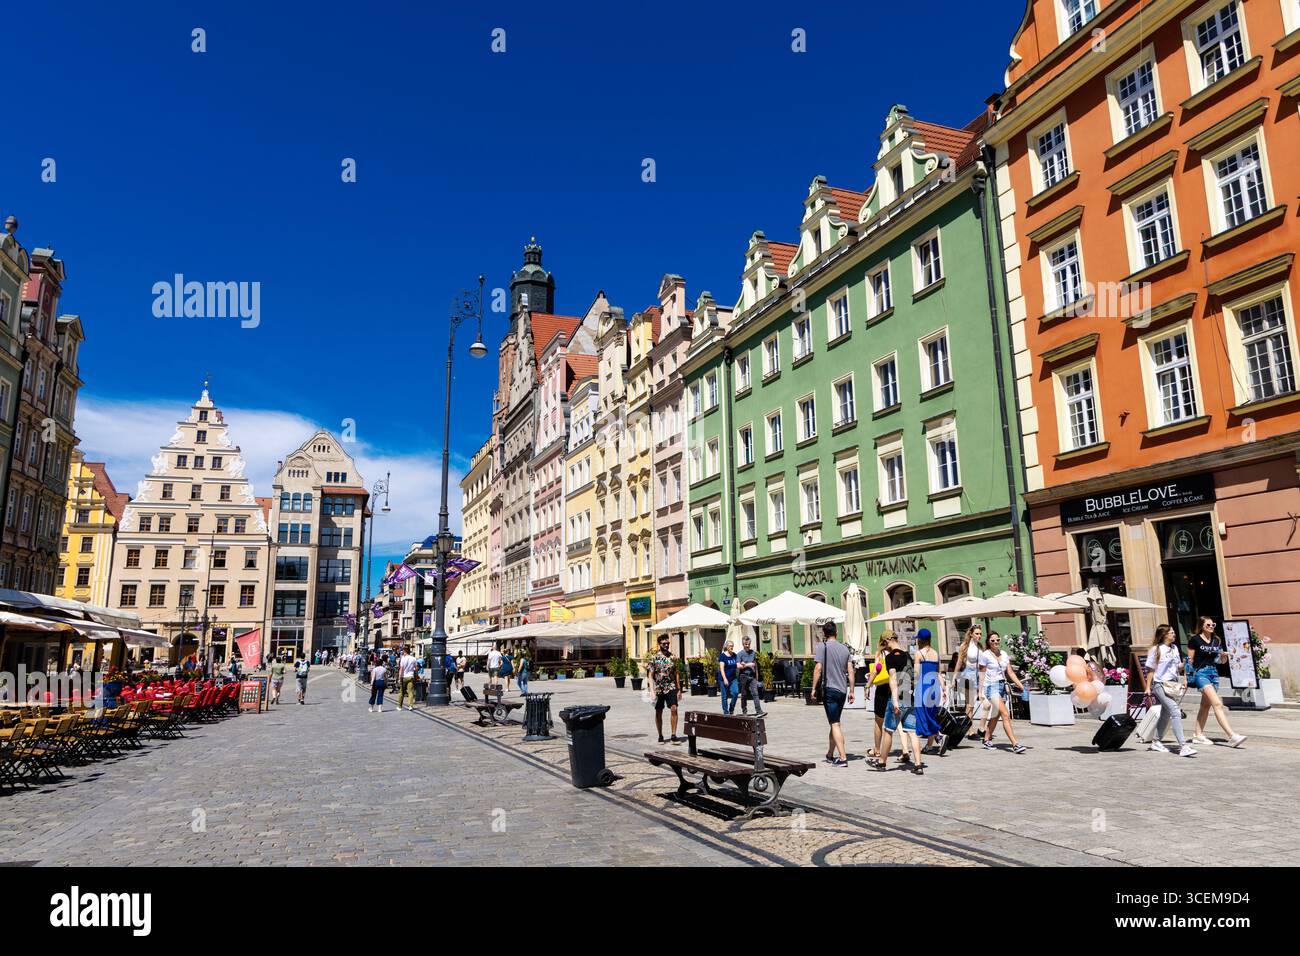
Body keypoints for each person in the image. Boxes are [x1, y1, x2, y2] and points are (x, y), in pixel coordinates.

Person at [1186, 616, 1246, 748]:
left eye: (1213, 625)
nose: (1211, 627)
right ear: (1202, 626)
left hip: (1214, 674)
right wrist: (1187, 679)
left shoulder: (1216, 640)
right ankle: (1232, 736)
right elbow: (1189, 660)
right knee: (1217, 704)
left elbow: (1220, 661)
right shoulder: (1194, 640)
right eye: (1208, 625)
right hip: (1201, 674)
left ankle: (1198, 735)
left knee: (1205, 706)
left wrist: (1224, 657)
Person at [872, 632, 922, 774]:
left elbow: (893, 680)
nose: (884, 646)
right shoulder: (908, 656)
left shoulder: (890, 658)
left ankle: (882, 763)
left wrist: (894, 701)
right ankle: (918, 765)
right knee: (912, 732)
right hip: (910, 698)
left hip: (897, 698)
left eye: (884, 643)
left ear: (889, 640)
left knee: (888, 731)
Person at [1143, 624, 1196, 757]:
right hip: (1160, 684)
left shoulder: (1174, 648)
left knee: (1165, 715)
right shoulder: (1156, 650)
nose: (1174, 634)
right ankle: (1183, 746)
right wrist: (1147, 687)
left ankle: (1156, 741)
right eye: (1171, 632)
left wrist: (1185, 664)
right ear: (1164, 635)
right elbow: (1150, 670)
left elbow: (1177, 667)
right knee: (1175, 711)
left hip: (1172, 685)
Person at [809, 622, 854, 767]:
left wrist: (813, 688)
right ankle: (830, 754)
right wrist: (852, 690)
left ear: (824, 633)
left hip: (830, 689)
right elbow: (851, 671)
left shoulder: (823, 647)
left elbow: (818, 668)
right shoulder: (845, 649)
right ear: (836, 632)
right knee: (834, 723)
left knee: (835, 724)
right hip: (842, 690)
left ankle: (842, 758)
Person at [978, 634, 1027, 753]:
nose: (995, 642)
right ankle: (1015, 744)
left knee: (996, 715)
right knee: (1005, 714)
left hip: (1002, 686)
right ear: (989, 642)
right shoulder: (985, 655)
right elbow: (982, 674)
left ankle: (986, 739)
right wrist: (980, 691)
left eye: (997, 640)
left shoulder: (1004, 654)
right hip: (991, 686)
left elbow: (1010, 672)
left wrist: (1020, 685)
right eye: (992, 640)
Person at [869, 631, 905, 766]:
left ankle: (878, 750)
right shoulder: (902, 652)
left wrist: (868, 685)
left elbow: (876, 670)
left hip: (883, 688)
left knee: (879, 720)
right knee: (900, 720)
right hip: (899, 688)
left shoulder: (881, 654)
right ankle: (905, 748)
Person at [912, 629, 946, 757]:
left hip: (923, 687)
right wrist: (943, 689)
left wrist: (912, 688)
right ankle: (929, 746)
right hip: (935, 687)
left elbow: (916, 674)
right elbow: (938, 673)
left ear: (920, 640)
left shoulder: (918, 654)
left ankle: (939, 736)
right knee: (930, 714)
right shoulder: (936, 653)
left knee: (921, 714)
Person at [647, 634, 683, 744]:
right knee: (659, 711)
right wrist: (652, 691)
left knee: (674, 708)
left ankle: (673, 735)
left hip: (670, 686)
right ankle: (660, 735)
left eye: (668, 643)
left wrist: (679, 689)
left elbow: (676, 673)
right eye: (664, 643)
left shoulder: (673, 657)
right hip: (659, 688)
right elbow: (650, 675)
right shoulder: (654, 658)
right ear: (659, 644)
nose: (666, 645)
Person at [717, 640, 739, 714]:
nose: (731, 647)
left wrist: (745, 664)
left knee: (736, 692)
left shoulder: (734, 655)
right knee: (724, 696)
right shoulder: (722, 656)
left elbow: (737, 664)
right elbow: (721, 669)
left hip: (733, 678)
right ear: (726, 647)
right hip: (723, 679)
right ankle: (726, 712)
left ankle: (731, 708)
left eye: (732, 646)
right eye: (730, 646)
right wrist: (725, 679)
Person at [396, 645, 419, 712]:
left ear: (404, 651)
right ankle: (410, 706)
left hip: (404, 677)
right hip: (411, 676)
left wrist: (399, 677)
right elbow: (416, 668)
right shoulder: (413, 658)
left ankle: (399, 706)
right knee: (410, 692)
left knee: (402, 692)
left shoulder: (403, 658)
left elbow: (401, 669)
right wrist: (414, 670)